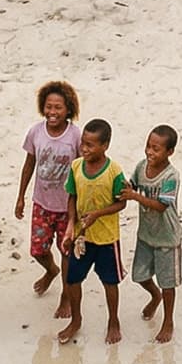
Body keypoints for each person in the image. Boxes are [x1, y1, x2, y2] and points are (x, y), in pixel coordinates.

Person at [57, 118, 129, 345]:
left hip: (107, 239)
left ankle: (113, 320)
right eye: (83, 144)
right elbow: (72, 196)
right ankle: (76, 320)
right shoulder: (76, 166)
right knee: (73, 279)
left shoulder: (114, 171)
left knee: (110, 282)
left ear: (105, 145)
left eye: (90, 145)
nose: (84, 149)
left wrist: (99, 214)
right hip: (82, 238)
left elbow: (122, 203)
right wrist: (71, 225)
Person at [15, 80, 83, 311]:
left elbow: (85, 169)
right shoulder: (36, 132)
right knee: (38, 250)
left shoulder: (75, 136)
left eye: (58, 108)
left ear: (68, 110)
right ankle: (50, 270)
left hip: (68, 207)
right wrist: (20, 196)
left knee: (67, 252)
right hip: (42, 204)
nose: (52, 112)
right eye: (48, 107)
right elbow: (29, 165)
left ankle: (65, 295)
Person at [128, 125, 182, 343]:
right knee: (139, 275)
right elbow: (131, 184)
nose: (150, 152)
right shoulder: (142, 167)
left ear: (169, 152)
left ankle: (168, 321)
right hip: (146, 235)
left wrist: (134, 196)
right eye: (148, 146)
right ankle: (154, 295)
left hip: (167, 238)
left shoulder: (171, 176)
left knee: (167, 283)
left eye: (156, 149)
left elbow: (161, 206)